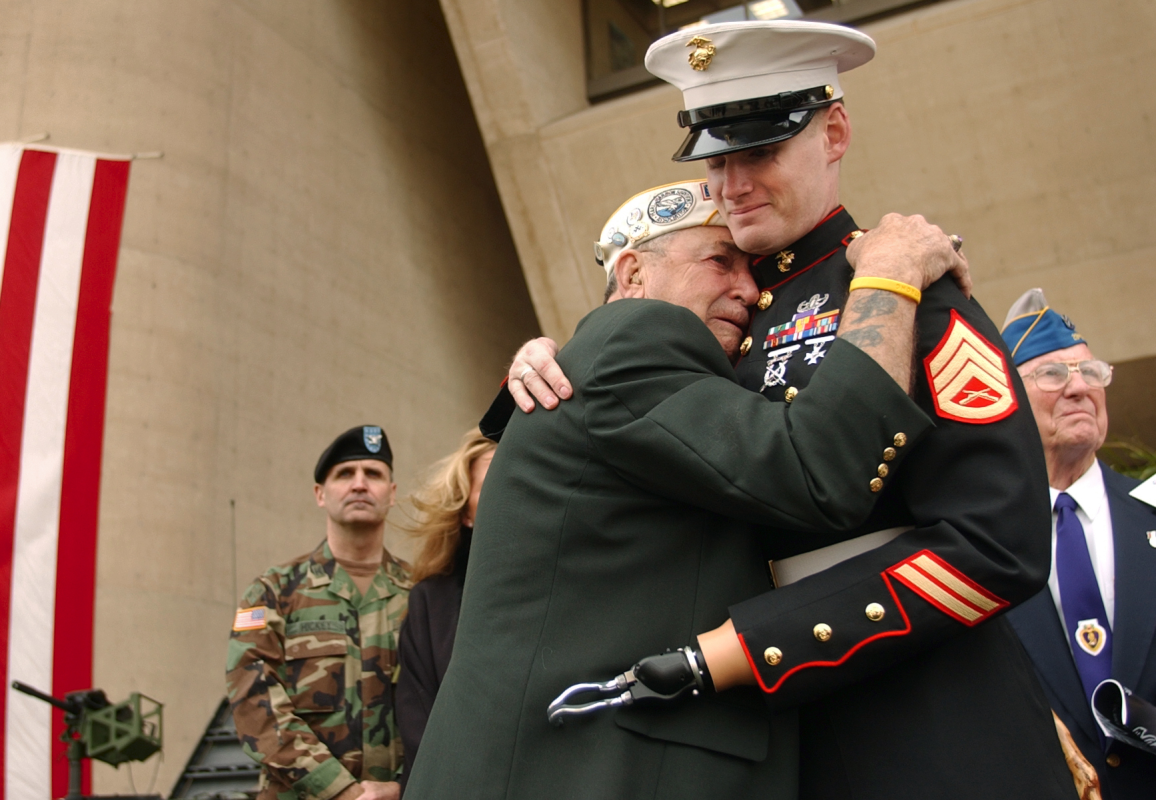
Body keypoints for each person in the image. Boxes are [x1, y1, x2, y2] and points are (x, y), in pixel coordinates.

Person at [507, 20, 1074, 799]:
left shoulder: (905, 289)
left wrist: (759, 645)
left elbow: (998, 541)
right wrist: (546, 360)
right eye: (716, 156)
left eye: (761, 150)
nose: (731, 184)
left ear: (834, 131)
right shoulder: (714, 313)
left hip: (925, 726)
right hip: (748, 746)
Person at [404, 177, 966, 800]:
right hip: (589, 770)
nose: (750, 291)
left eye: (751, 270)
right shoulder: (634, 340)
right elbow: (822, 470)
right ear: (634, 275)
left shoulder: (614, 364)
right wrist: (889, 275)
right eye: (718, 261)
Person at [1002, 289, 1156, 799]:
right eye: (1051, 374)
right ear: (1008, 400)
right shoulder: (977, 540)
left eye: (1091, 373)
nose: (1079, 389)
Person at [227, 426, 411, 800]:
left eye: (373, 474)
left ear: (392, 494)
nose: (360, 484)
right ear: (319, 495)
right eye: (345, 474)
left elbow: (448, 705)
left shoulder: (423, 594)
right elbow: (256, 707)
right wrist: (341, 792)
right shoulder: (273, 592)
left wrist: (402, 787)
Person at [395, 429, 496, 791]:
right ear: (465, 513)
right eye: (493, 486)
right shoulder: (430, 603)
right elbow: (419, 728)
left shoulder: (571, 588)